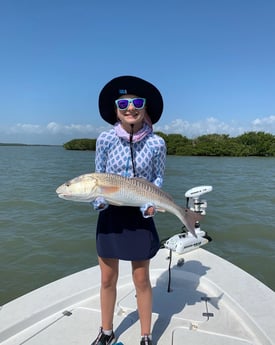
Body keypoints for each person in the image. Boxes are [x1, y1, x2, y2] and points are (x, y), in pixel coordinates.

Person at [91, 75, 166, 345]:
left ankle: (146, 336)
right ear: (115, 109)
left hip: (140, 215)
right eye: (123, 102)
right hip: (110, 215)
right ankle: (107, 331)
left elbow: (158, 179)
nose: (130, 107)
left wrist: (151, 203)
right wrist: (97, 201)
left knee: (142, 279)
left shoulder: (157, 143)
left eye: (137, 102)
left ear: (145, 108)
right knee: (107, 278)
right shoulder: (105, 140)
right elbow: (99, 178)